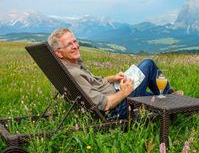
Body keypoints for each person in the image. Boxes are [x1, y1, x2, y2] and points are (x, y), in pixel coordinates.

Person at [47, 27, 182, 119]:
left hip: (116, 92)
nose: (75, 46)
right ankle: (172, 97)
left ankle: (174, 103)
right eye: (69, 44)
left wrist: (112, 78)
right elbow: (104, 104)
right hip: (118, 108)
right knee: (148, 64)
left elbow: (93, 85)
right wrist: (124, 92)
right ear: (58, 53)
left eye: (75, 41)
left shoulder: (69, 66)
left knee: (152, 98)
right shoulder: (74, 73)